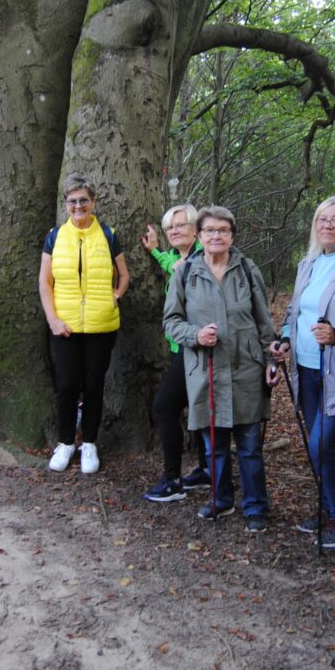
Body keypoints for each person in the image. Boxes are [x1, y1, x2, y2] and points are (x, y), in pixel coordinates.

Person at [163, 205, 279, 532]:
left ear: (232, 235)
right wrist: (195, 335)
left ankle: (255, 506)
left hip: (246, 368)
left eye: (223, 231)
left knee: (250, 445)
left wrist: (271, 358)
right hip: (205, 370)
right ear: (199, 236)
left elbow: (263, 321)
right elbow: (171, 321)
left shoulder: (247, 269)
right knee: (214, 445)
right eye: (210, 230)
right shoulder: (185, 272)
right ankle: (221, 499)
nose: (216, 236)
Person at [270, 196, 335, 548]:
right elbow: (294, 310)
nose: (328, 226)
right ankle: (328, 508)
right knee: (316, 446)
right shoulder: (309, 263)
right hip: (306, 367)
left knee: (320, 446)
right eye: (322, 220)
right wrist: (284, 338)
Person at [39, 174, 130, 474]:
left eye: (84, 200)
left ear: (93, 202)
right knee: (66, 386)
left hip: (101, 325)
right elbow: (44, 281)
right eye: (73, 201)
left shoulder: (107, 233)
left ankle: (89, 442)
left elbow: (124, 274)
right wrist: (52, 319)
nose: (78, 206)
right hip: (64, 326)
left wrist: (116, 295)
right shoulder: (54, 235)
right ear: (66, 204)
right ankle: (66, 443)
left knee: (93, 386)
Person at [141, 204, 212, 502]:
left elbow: (177, 269)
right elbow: (173, 264)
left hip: (195, 348)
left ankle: (172, 481)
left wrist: (158, 254)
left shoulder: (200, 259)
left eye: (181, 225)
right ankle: (208, 471)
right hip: (179, 347)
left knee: (164, 407)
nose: (175, 230)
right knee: (196, 408)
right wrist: (158, 251)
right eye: (171, 227)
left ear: (196, 229)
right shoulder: (181, 257)